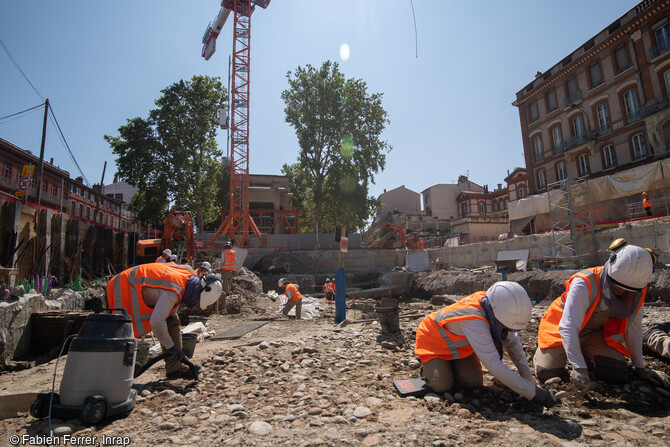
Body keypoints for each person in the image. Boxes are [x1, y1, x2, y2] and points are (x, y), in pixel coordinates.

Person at [534, 244, 670, 391]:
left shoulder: (637, 290)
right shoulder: (584, 283)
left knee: (615, 374)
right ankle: (555, 353)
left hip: (594, 333)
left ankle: (586, 353)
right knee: (547, 372)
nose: (622, 293)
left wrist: (640, 367)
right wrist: (579, 368)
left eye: (627, 292)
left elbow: (634, 329)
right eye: (617, 288)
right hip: (559, 329)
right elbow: (568, 326)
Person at [414, 281, 560, 408]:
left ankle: (448, 367)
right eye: (506, 327)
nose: (507, 331)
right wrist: (535, 394)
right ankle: (430, 368)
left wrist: (529, 382)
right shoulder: (474, 320)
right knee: (441, 385)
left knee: (473, 382)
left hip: (458, 347)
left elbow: (513, 345)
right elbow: (493, 365)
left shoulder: (497, 306)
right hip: (433, 342)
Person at [106, 263, 222, 378]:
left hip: (134, 283)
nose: (194, 305)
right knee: (121, 329)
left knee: (172, 319)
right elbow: (156, 321)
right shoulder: (173, 292)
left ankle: (174, 368)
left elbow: (169, 311)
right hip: (123, 285)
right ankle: (114, 373)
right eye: (196, 302)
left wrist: (170, 319)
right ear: (199, 291)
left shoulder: (188, 275)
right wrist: (171, 347)